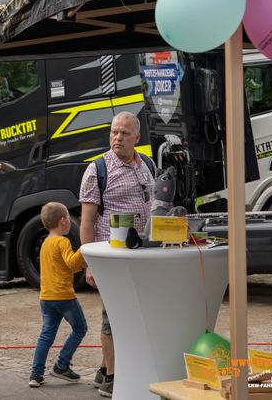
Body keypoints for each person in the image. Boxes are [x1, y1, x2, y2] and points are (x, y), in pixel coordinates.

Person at [79, 111, 154, 398]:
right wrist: (90, 265)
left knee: (130, 314)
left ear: (137, 137)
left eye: (123, 133)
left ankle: (102, 371)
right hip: (112, 258)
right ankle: (112, 378)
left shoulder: (147, 163)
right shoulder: (97, 169)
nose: (117, 138)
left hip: (142, 254)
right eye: (113, 132)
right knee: (114, 317)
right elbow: (86, 222)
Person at [28, 202, 87, 388]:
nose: (70, 222)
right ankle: (61, 365)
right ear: (62, 221)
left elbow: (61, 265)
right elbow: (71, 263)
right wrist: (85, 248)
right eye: (69, 219)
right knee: (80, 329)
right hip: (64, 297)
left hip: (46, 298)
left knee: (46, 336)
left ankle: (36, 375)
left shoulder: (45, 242)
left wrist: (81, 265)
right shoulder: (63, 241)